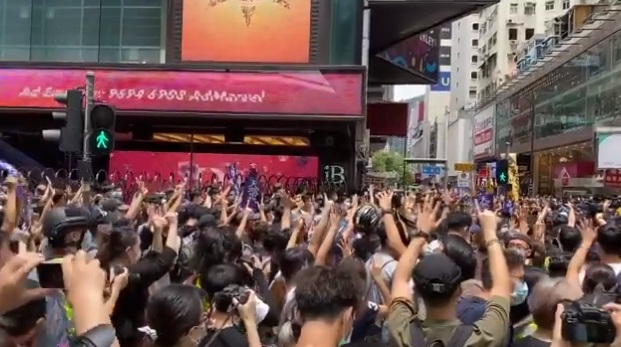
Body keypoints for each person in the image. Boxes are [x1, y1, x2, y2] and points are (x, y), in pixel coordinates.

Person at [385, 201, 512, 347]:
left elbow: (400, 279)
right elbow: (502, 287)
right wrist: (490, 234)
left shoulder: (401, 332)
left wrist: (421, 234)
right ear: (459, 290)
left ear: (417, 291)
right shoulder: (483, 337)